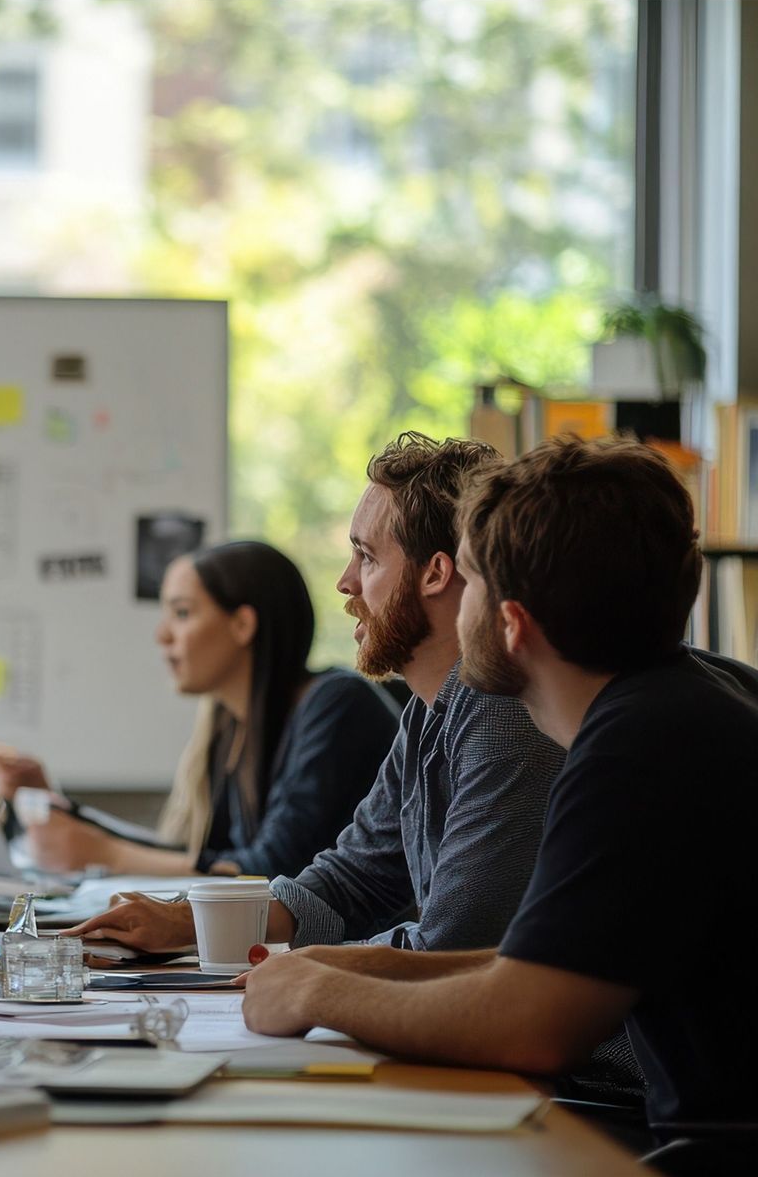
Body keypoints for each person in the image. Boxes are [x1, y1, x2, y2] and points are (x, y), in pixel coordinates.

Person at [241, 437, 758, 1125]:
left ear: (510, 622)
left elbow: (531, 1023)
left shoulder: (638, 747)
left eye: (473, 581)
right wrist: (329, 969)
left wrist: (318, 994)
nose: (459, 608)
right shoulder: (674, 708)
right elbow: (530, 968)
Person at [70, 433, 564, 955]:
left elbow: (452, 947)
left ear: (436, 573)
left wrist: (307, 974)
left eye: (367, 557)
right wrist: (189, 923)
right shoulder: (428, 713)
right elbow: (351, 879)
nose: (345, 582)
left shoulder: (503, 713)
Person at [0, 541, 397, 878]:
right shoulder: (230, 726)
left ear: (242, 626)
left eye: (182, 613)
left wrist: (107, 854)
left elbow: (273, 870)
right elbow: (200, 856)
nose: (162, 635)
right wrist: (58, 805)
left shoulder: (337, 704)